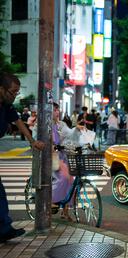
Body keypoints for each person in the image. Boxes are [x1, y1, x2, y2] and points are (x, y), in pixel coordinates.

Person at [0, 72, 45, 242]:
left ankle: (4, 229)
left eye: (17, 92)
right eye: (13, 91)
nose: (15, 95)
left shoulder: (6, 106)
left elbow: (18, 122)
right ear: (1, 89)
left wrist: (32, 141)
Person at [34, 103, 84, 220]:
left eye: (58, 110)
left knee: (71, 180)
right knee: (64, 178)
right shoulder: (41, 125)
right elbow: (36, 138)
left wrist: (76, 129)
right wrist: (48, 146)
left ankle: (65, 211)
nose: (57, 112)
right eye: (55, 110)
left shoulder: (61, 124)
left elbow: (70, 134)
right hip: (48, 157)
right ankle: (51, 201)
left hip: (61, 156)